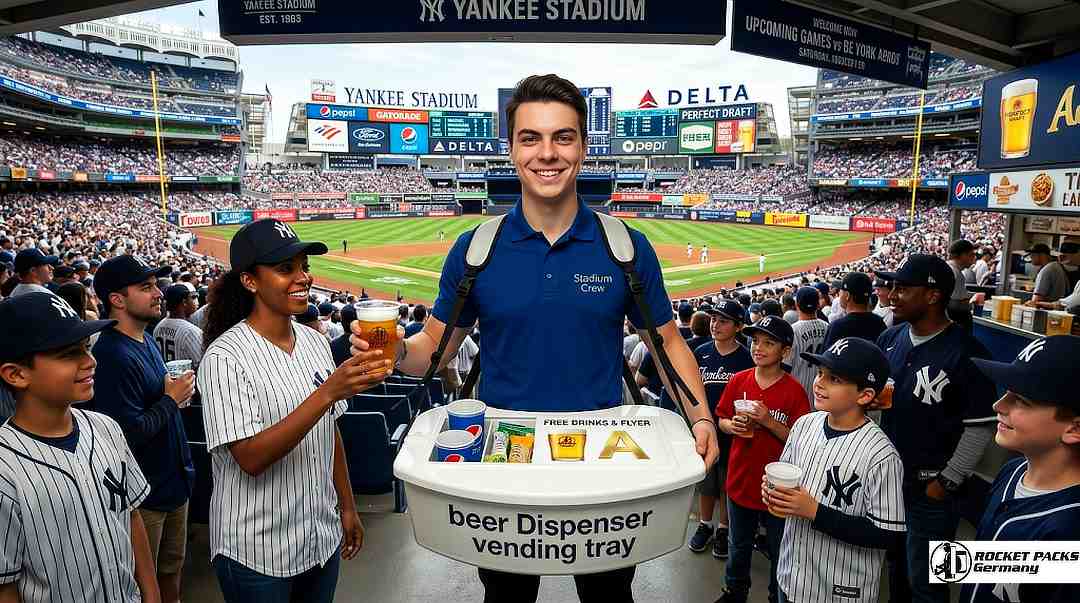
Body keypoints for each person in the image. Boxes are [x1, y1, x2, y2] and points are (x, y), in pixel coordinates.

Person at [371, 74, 719, 603]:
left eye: (563, 137)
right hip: (502, 458)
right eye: (530, 138)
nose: (548, 153)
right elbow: (430, 353)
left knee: (609, 596)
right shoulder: (475, 249)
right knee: (506, 597)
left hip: (605, 457)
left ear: (583, 146)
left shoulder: (626, 246)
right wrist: (395, 349)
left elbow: (666, 342)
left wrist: (701, 418)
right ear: (512, 149)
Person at [198, 218, 393, 602]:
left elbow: (329, 431)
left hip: (319, 536)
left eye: (304, 266)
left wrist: (347, 505)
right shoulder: (224, 357)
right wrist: (327, 393)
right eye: (285, 268)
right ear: (249, 281)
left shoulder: (315, 342)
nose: (303, 277)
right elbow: (250, 458)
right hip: (256, 550)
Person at [0, 292, 162, 603]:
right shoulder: (5, 470)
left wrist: (152, 596)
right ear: (17, 374)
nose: (90, 361)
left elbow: (131, 516)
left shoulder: (106, 427)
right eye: (68, 354)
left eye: (86, 347)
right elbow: (6, 587)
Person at [874, 254, 997, 603]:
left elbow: (979, 428)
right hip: (890, 482)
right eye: (892, 287)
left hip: (932, 490)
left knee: (927, 585)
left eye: (903, 288)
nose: (892, 295)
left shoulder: (968, 352)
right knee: (896, 569)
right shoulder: (890, 338)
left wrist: (946, 483)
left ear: (933, 295)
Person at [88, 255, 194, 603]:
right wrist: (170, 399)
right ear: (117, 299)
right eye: (146, 287)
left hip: (172, 484)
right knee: (144, 583)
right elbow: (125, 435)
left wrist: (173, 397)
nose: (158, 293)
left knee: (171, 570)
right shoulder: (112, 355)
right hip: (144, 497)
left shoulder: (144, 338)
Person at [768, 337, 905, 603]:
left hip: (839, 588)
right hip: (791, 573)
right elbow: (788, 479)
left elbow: (889, 535)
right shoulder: (804, 425)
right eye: (820, 373)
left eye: (835, 379)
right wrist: (774, 492)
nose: (819, 382)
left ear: (865, 395)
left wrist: (814, 511)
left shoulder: (882, 455)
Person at [960, 335, 1080, 603]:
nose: (998, 406)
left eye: (1023, 400)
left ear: (1075, 428)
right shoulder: (1013, 471)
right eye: (1006, 392)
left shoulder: (1070, 529)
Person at [714, 316, 811, 603]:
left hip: (779, 487)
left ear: (785, 351)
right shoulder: (738, 380)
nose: (758, 347)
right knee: (738, 543)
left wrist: (768, 421)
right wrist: (731, 426)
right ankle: (735, 591)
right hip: (741, 478)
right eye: (755, 341)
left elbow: (799, 439)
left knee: (780, 548)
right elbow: (721, 418)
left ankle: (775, 595)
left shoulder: (794, 391)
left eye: (769, 343)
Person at [687, 300, 755, 559]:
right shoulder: (700, 352)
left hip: (733, 432)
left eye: (724, 321)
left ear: (738, 326)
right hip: (705, 429)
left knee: (728, 482)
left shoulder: (746, 357)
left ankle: (724, 528)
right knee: (706, 481)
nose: (715, 324)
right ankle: (705, 524)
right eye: (714, 319)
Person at [822, 272, 887, 350]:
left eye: (841, 292)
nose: (840, 295)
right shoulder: (879, 322)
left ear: (847, 295)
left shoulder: (837, 327)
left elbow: (825, 356)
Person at [789, 287, 828, 403]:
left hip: (798, 390)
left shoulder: (792, 331)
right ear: (818, 305)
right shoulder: (828, 327)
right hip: (823, 390)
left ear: (796, 305)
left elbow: (785, 367)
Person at [153, 283, 204, 370]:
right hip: (185, 377)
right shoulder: (191, 332)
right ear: (184, 302)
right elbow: (202, 365)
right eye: (191, 298)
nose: (195, 302)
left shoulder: (158, 326)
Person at [946, 239, 977, 330]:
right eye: (971, 255)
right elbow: (954, 305)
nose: (974, 258)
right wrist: (972, 303)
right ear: (963, 255)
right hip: (952, 324)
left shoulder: (953, 270)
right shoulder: (955, 273)